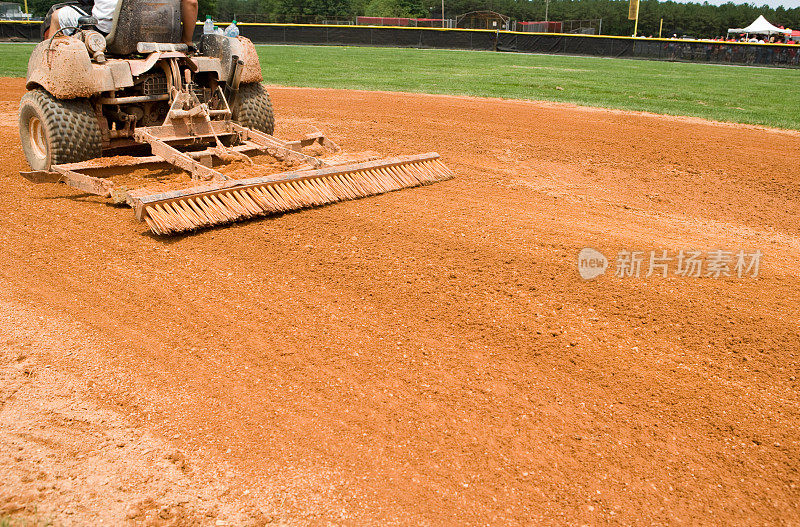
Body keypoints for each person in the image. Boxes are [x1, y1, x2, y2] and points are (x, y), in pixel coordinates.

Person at [48, 0, 198, 46]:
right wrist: (187, 41)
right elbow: (191, 3)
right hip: (164, 36)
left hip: (111, 33)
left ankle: (50, 79)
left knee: (56, 15)